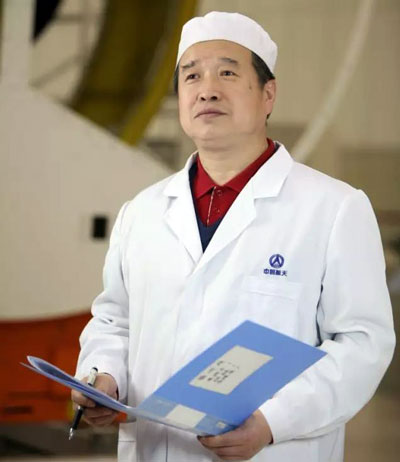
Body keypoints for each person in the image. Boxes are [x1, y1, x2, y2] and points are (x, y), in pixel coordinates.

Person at [72, 11, 395, 462]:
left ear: (268, 94)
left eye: (227, 73)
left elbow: (362, 345)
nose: (207, 89)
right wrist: (104, 377)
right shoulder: (140, 213)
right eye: (191, 76)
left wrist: (273, 422)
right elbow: (115, 321)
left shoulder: (334, 209)